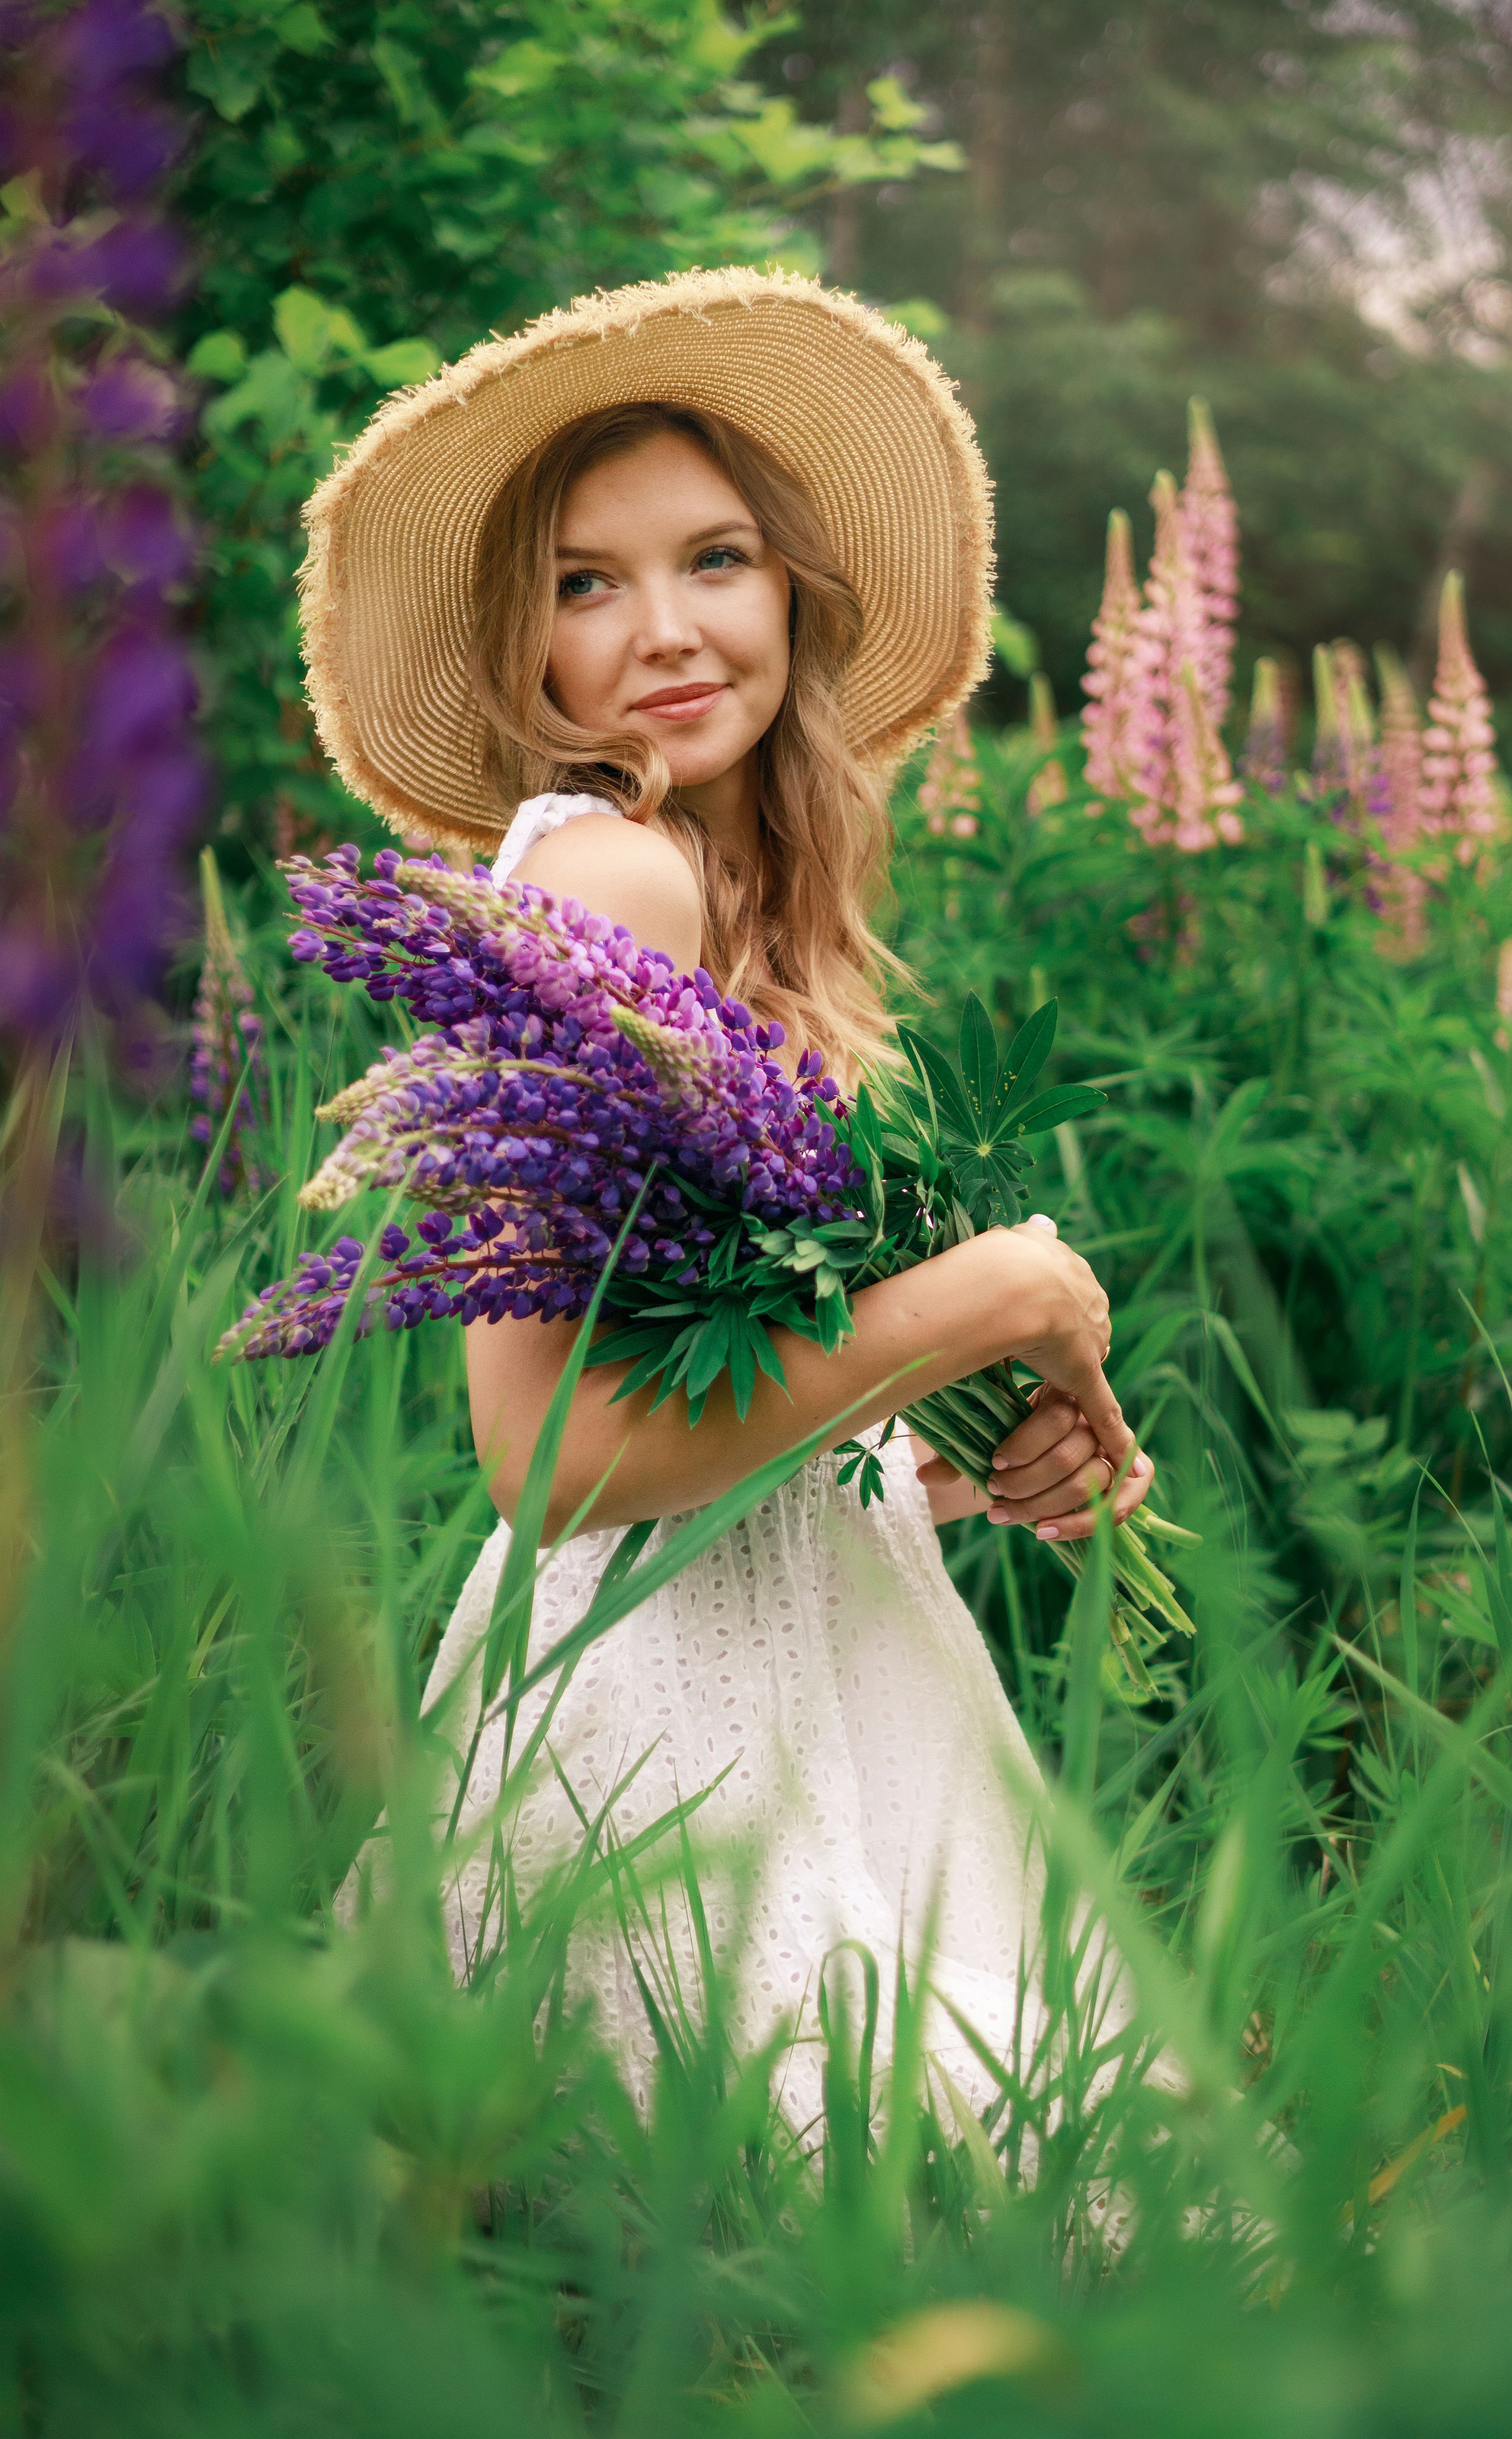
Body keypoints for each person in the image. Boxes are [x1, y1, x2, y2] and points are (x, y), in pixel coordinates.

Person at [308, 268, 1155, 2130]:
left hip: (773, 1666)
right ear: (524, 652)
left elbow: (706, 1397)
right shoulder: (608, 880)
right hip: (664, 1731)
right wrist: (987, 1297)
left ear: (792, 593)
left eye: (715, 559)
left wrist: (941, 1457)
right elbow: (548, 1457)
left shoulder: (723, 891)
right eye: (582, 584)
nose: (665, 631)